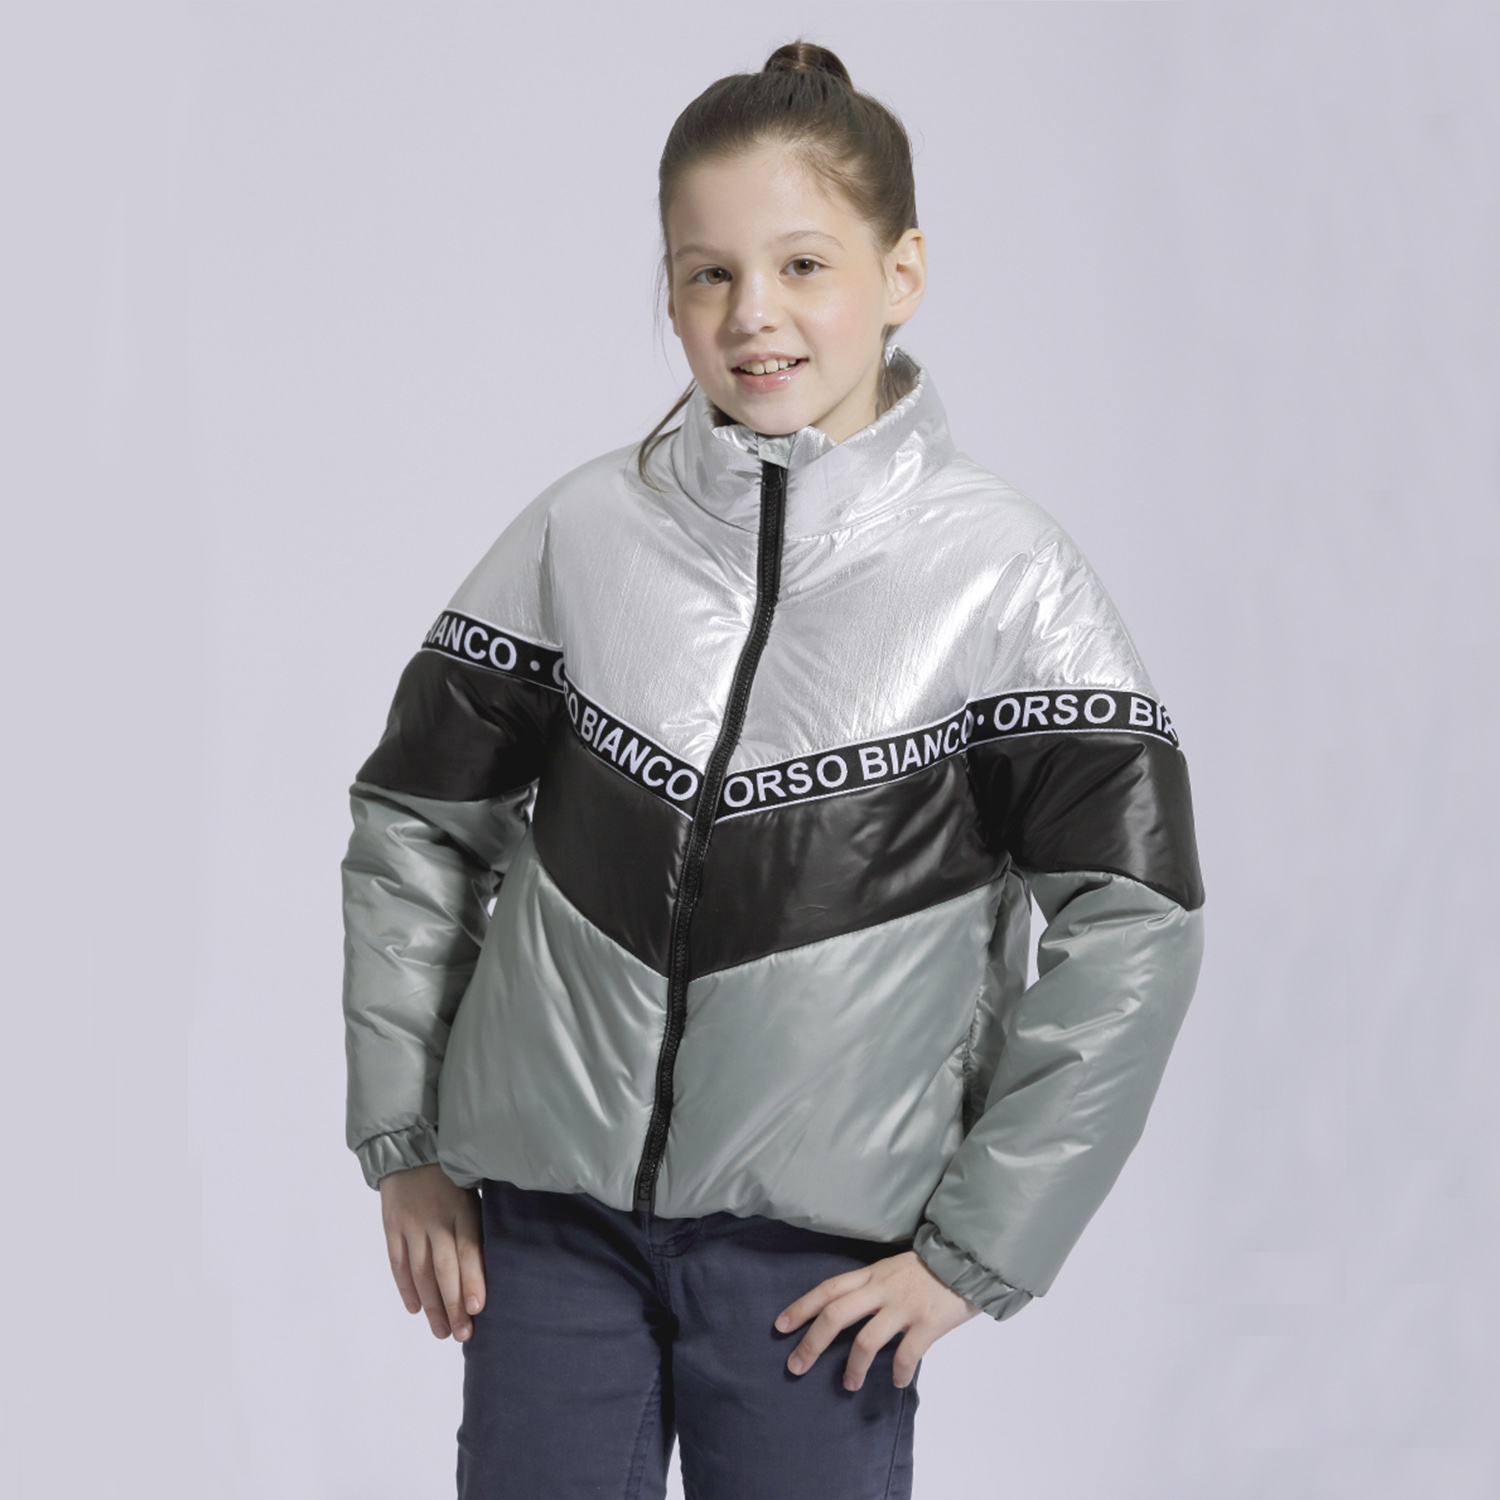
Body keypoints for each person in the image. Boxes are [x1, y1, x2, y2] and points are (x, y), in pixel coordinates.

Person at [341, 39, 1204, 1500]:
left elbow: (1136, 922)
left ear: (902, 270)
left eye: (804, 265)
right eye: (708, 274)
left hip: (822, 1268)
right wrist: (406, 1141)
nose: (754, 315)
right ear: (670, 288)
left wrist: (975, 1250)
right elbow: (416, 824)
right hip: (548, 1233)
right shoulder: (579, 535)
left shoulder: (1007, 581)